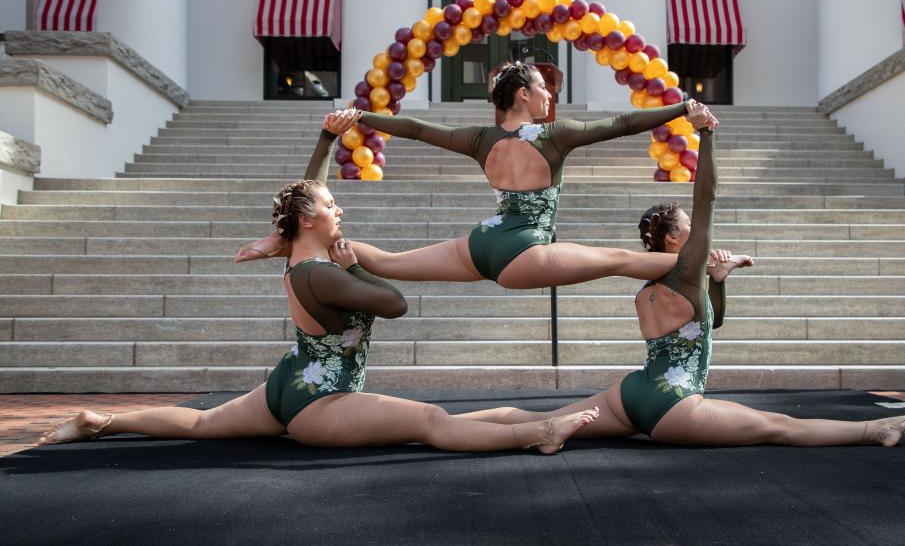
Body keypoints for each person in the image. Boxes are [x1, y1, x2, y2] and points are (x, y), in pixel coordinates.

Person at [39, 132, 600, 453]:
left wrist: (327, 139)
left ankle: (101, 421)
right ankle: (540, 432)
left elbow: (311, 193)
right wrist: (357, 269)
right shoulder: (324, 272)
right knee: (430, 422)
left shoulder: (300, 256)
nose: (340, 209)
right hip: (319, 406)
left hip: (289, 382)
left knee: (206, 423)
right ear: (308, 219)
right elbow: (396, 305)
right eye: (333, 207)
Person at [452, 117, 905, 447]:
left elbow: (709, 322)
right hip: (672, 406)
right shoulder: (686, 265)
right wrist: (708, 138)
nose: (697, 231)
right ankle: (873, 430)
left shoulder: (649, 285)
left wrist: (718, 279)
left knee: (540, 420)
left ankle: (451, 426)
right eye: (689, 226)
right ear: (680, 237)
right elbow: (709, 196)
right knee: (779, 426)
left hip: (632, 395)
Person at [235, 61, 720, 290]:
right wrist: (683, 106)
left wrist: (358, 119)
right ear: (524, 96)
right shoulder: (555, 135)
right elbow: (623, 123)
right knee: (622, 260)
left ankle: (286, 240)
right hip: (525, 250)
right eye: (543, 90)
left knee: (386, 261)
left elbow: (417, 129)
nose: (549, 97)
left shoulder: (480, 139)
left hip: (482, 242)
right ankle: (715, 264)